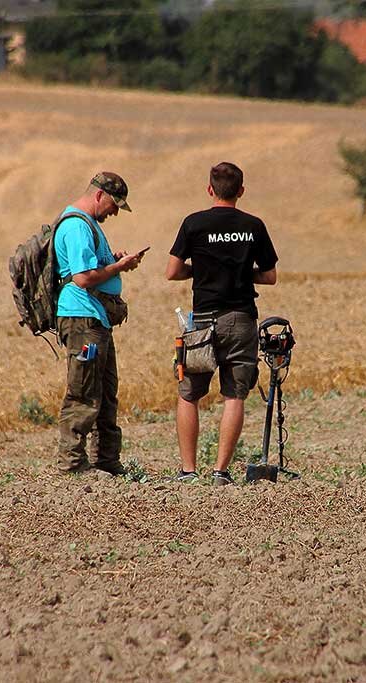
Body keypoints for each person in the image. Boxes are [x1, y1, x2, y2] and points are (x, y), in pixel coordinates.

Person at [165, 162, 279, 486]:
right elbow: (270, 276)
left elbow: (172, 271)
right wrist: (244, 275)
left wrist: (198, 270)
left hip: (201, 320)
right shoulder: (253, 226)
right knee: (234, 395)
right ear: (241, 191)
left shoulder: (193, 224)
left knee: (189, 394)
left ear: (210, 189)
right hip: (241, 319)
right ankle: (220, 472)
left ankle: (188, 471)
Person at [54, 172, 144, 475]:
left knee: (105, 390)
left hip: (96, 319)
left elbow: (92, 268)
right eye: (115, 204)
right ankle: (73, 464)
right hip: (82, 319)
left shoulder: (88, 225)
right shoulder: (78, 225)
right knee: (84, 389)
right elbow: (82, 278)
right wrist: (119, 266)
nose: (115, 211)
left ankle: (107, 460)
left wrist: (113, 262)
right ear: (98, 195)